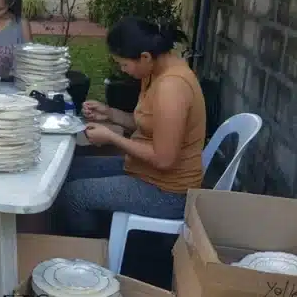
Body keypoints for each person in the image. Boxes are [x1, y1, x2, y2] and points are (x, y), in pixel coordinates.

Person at [56, 16, 206, 237]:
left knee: (74, 195)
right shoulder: (155, 70)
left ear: (145, 57)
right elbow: (149, 124)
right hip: (143, 170)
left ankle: (91, 251)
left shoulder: (171, 88)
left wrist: (112, 138)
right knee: (67, 170)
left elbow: (164, 159)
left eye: (124, 64)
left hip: (168, 192)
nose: (123, 70)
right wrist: (110, 113)